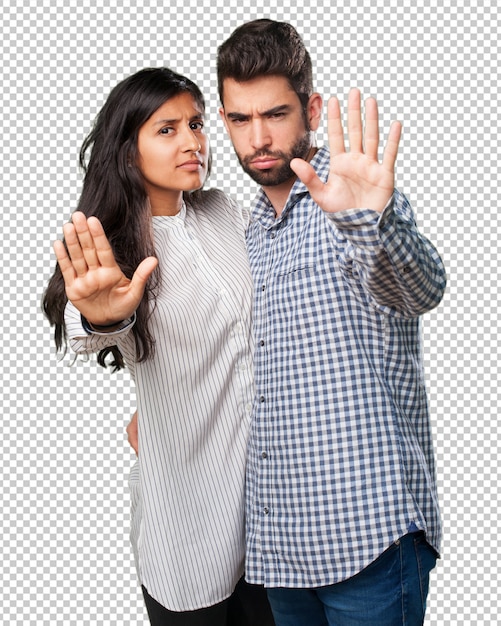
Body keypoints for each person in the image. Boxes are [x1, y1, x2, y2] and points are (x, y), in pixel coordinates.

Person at [214, 19, 447, 626]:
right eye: (240, 119)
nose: (259, 137)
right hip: (281, 550)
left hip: (368, 538)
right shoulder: (251, 232)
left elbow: (422, 288)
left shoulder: (350, 191)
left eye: (276, 114)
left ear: (311, 108)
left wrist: (371, 222)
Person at [42, 67, 275, 626]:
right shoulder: (114, 249)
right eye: (166, 129)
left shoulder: (224, 212)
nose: (193, 141)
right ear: (128, 150)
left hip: (270, 515)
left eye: (196, 124)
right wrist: (100, 319)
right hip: (186, 528)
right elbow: (93, 320)